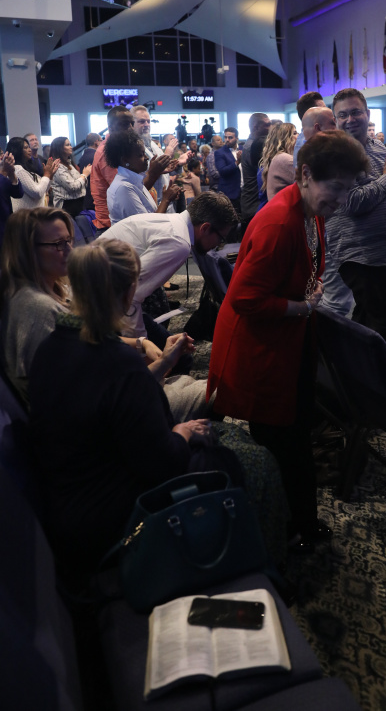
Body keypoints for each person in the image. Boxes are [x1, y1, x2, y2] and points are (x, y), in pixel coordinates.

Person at [27, 239, 243, 576]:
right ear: (130, 291)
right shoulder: (117, 360)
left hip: (65, 506)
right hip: (108, 519)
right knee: (235, 459)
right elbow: (162, 463)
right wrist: (182, 432)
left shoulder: (51, 348)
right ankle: (230, 562)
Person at [208, 130, 367, 551]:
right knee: (285, 444)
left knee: (293, 437)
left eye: (348, 189)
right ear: (306, 174)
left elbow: (305, 267)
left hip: (285, 341)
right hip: (262, 348)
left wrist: (308, 294)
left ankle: (294, 523)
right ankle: (290, 529)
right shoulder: (280, 222)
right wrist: (301, 307)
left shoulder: (309, 209)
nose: (341, 199)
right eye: (336, 188)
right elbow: (244, 299)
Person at [326, 87, 386, 356]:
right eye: (343, 115)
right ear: (335, 119)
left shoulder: (378, 147)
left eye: (356, 112)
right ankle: (383, 379)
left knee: (367, 320)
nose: (350, 119)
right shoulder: (336, 153)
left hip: (383, 249)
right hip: (359, 252)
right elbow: (352, 203)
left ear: (368, 114)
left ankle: (355, 373)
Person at [98, 192, 239, 338]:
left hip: (101, 289)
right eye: (221, 238)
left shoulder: (173, 222)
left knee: (163, 323)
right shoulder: (179, 242)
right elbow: (131, 295)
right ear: (205, 228)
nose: (218, 245)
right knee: (173, 350)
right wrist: (141, 345)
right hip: (99, 303)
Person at [0, 207, 73, 403]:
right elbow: (59, 390)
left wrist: (139, 343)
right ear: (28, 251)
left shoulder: (32, 289)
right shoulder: (38, 308)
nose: (69, 250)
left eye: (68, 241)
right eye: (58, 244)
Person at [105, 129, 181, 224]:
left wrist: (157, 172)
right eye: (141, 155)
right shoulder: (123, 188)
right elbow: (148, 226)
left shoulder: (132, 180)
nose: (147, 158)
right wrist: (166, 199)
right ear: (125, 160)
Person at [7, 136, 59, 211]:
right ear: (17, 150)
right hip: (25, 215)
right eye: (26, 148)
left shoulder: (26, 169)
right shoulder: (17, 169)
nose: (29, 150)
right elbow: (37, 193)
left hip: (35, 214)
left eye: (29, 147)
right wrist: (46, 175)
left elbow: (43, 190)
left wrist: (50, 175)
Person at [240, 113, 270, 226]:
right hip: (254, 204)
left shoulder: (253, 144)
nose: (270, 128)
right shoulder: (252, 147)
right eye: (267, 125)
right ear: (255, 127)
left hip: (254, 203)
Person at [49, 137, 91, 217]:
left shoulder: (69, 164)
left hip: (78, 203)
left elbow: (83, 184)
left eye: (70, 144)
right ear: (60, 148)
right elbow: (72, 187)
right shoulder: (58, 167)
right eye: (67, 145)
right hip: (67, 206)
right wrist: (84, 175)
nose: (71, 147)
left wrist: (83, 178)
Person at [257, 122, 297, 206]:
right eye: (294, 133)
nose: (299, 135)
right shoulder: (284, 159)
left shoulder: (277, 157)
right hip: (285, 211)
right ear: (285, 139)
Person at [293, 92, 325, 167]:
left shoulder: (304, 138)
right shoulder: (306, 145)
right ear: (309, 114)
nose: (328, 112)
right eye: (323, 109)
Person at [214, 127, 242, 212]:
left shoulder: (243, 149)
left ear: (237, 138)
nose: (227, 140)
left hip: (245, 191)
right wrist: (237, 162)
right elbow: (222, 171)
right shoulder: (220, 152)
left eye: (230, 137)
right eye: (225, 137)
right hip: (229, 193)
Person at [0, 148, 22, 245]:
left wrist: (12, 174)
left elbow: (18, 193)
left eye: (2, 154)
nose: (2, 157)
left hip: (6, 228)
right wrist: (4, 173)